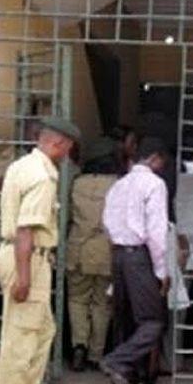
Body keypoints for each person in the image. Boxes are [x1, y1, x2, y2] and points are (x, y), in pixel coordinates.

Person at [0, 117, 80, 384]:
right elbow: (26, 228)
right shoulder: (43, 177)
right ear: (60, 144)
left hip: (24, 256)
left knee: (42, 332)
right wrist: (25, 277)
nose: (69, 153)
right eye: (69, 147)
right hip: (26, 258)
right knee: (21, 340)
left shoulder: (22, 165)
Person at [100, 137, 170, 384]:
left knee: (124, 318)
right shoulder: (154, 184)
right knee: (152, 321)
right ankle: (118, 362)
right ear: (155, 159)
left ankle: (127, 376)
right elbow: (156, 231)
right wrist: (162, 270)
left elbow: (107, 223)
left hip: (118, 254)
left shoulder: (119, 185)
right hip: (139, 256)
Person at [66, 137, 119, 372]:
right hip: (106, 251)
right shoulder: (118, 185)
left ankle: (79, 345)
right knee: (102, 303)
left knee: (77, 299)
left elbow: (65, 216)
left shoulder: (76, 184)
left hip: (78, 249)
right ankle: (96, 353)